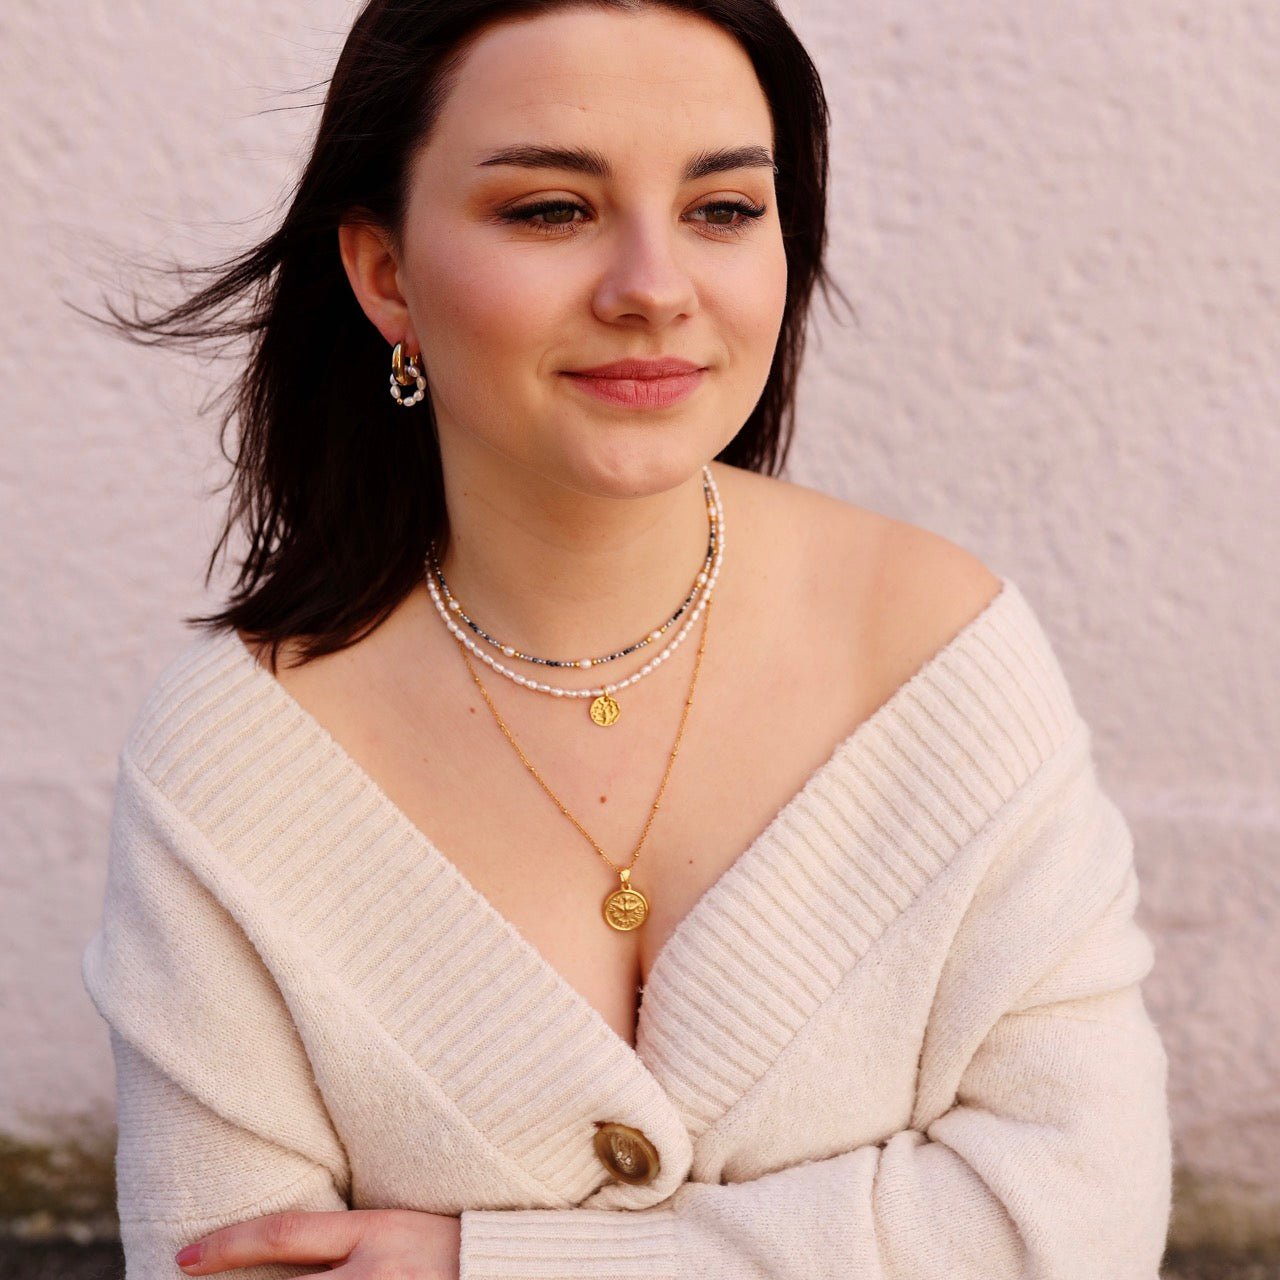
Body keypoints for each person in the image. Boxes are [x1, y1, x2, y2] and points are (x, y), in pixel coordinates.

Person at [80, 0, 1174, 1276]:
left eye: (722, 209)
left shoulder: (938, 652)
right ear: (385, 273)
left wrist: (480, 1262)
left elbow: (1079, 1220)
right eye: (552, 209)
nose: (652, 287)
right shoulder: (233, 766)